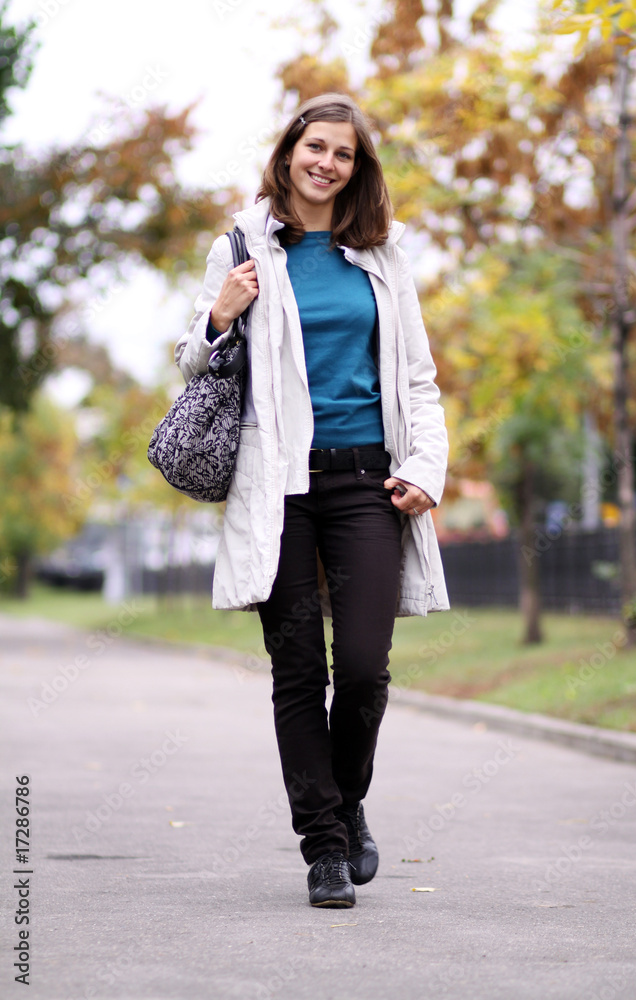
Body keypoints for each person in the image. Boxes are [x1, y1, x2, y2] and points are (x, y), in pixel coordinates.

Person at [175, 92, 449, 909]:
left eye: (344, 154)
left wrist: (426, 468)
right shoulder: (242, 244)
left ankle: (347, 796)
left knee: (363, 670)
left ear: (357, 170)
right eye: (315, 147)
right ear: (290, 150)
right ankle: (323, 845)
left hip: (370, 483)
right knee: (298, 671)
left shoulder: (384, 255)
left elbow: (419, 381)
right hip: (280, 488)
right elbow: (193, 365)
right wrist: (220, 317)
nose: (326, 163)